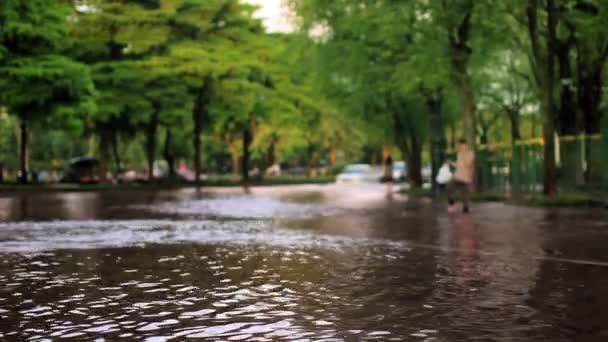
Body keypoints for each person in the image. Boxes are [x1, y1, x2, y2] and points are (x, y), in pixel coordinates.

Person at [448, 139, 475, 213]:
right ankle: (451, 203)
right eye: (460, 146)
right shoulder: (459, 154)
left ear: (466, 146)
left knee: (465, 195)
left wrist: (463, 154)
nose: (460, 147)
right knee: (450, 188)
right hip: (457, 176)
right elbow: (459, 165)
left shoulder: (470, 153)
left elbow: (467, 164)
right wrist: (451, 163)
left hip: (466, 177)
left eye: (462, 145)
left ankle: (465, 209)